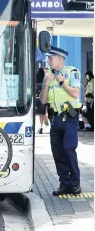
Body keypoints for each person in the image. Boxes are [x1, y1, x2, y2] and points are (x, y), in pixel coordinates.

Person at [40, 46, 82, 196]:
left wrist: (62, 81)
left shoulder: (72, 72)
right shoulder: (49, 76)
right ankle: (64, 184)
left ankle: (75, 184)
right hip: (55, 119)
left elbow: (75, 94)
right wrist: (46, 84)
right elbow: (43, 100)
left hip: (70, 117)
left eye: (51, 58)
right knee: (57, 153)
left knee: (68, 149)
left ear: (59, 58)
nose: (49, 61)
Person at [36, 67, 49, 133]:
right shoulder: (46, 80)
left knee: (40, 113)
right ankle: (45, 119)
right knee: (44, 111)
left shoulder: (35, 80)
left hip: (38, 98)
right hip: (45, 98)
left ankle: (41, 126)